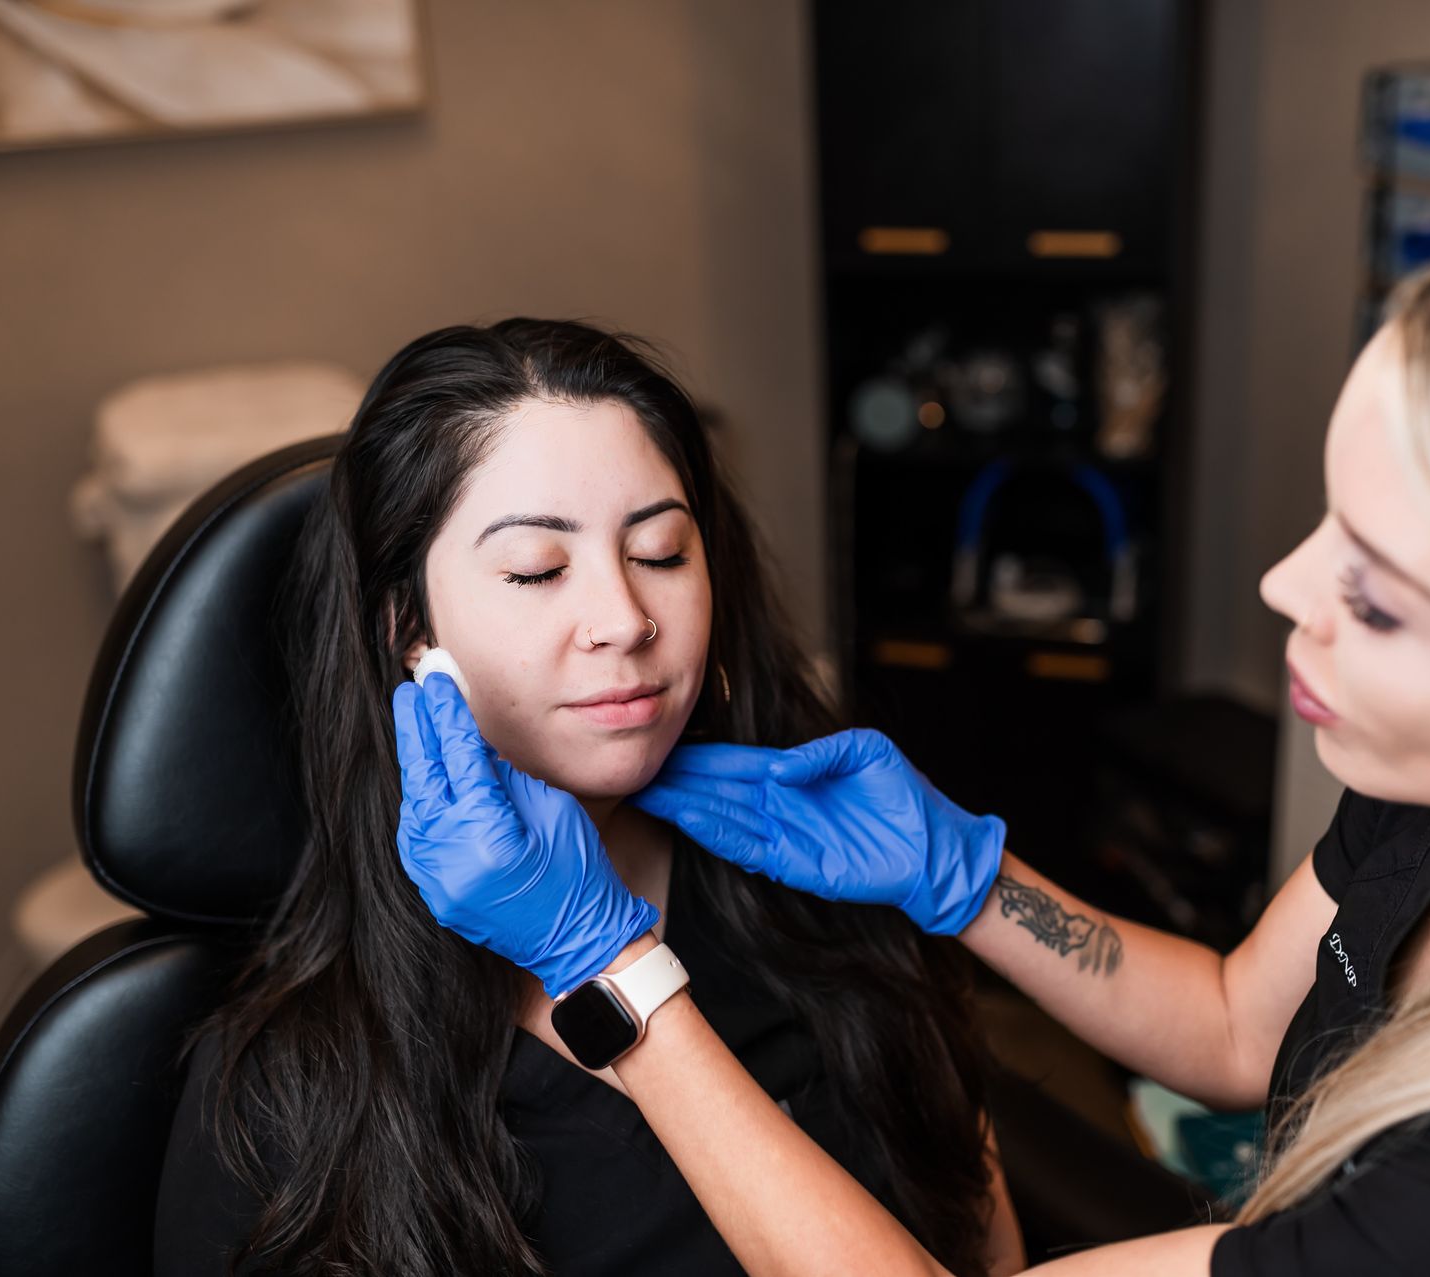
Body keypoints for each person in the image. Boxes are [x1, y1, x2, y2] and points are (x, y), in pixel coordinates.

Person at [392, 190, 1430, 1274]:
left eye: (1379, 601)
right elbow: (1238, 1023)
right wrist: (966, 877)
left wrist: (614, 983)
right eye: (532, 568)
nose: (1283, 587)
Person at [154, 319, 1023, 1277]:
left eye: (659, 552)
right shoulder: (290, 1090)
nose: (625, 619)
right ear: (408, 627)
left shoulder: (837, 919)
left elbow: (988, 1253)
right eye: (538, 569)